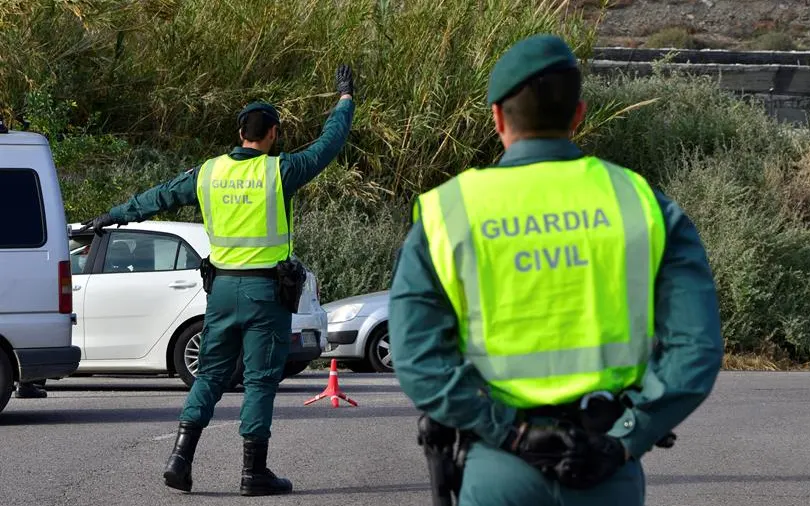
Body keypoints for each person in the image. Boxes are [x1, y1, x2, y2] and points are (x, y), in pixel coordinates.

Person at [388, 34, 724, 506]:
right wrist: (627, 437)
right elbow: (697, 349)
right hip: (604, 469)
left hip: (498, 471)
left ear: (498, 117)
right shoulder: (642, 204)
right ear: (579, 115)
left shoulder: (449, 212)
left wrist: (509, 433)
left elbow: (418, 358)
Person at [77, 65, 356, 496]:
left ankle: (180, 459)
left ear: (240, 132)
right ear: (274, 134)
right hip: (268, 293)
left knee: (209, 374)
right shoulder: (281, 171)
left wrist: (111, 216)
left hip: (222, 291)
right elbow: (329, 144)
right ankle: (253, 473)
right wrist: (344, 100)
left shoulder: (209, 173)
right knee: (261, 379)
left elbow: (159, 195)